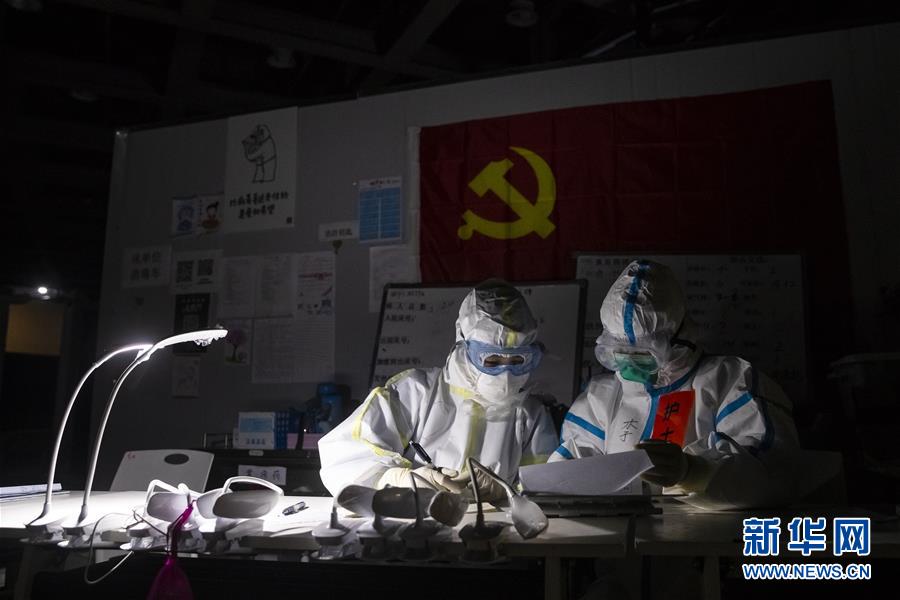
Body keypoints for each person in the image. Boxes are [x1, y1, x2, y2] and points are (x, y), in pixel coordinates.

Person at [551, 260, 800, 510]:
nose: (629, 365)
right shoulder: (601, 396)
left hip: (704, 532)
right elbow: (569, 467)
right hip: (618, 531)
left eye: (642, 354)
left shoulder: (730, 381)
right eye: (619, 352)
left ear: (678, 338)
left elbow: (772, 471)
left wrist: (693, 471)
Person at [319, 279, 558, 502]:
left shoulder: (532, 415)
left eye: (517, 361)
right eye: (492, 361)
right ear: (463, 346)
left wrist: (506, 490)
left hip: (490, 526)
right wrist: (394, 478)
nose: (505, 376)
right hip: (413, 521)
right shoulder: (414, 392)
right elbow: (344, 457)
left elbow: (547, 488)